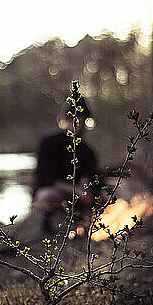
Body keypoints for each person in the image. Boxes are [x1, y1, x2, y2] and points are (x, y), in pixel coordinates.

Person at [33, 97, 99, 233]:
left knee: (104, 195)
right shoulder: (49, 143)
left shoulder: (88, 151)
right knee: (47, 196)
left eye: (82, 118)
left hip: (79, 198)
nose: (79, 123)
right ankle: (46, 227)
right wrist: (75, 190)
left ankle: (83, 226)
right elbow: (46, 178)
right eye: (75, 118)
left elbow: (92, 175)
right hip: (56, 193)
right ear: (67, 119)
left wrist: (87, 188)